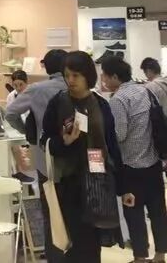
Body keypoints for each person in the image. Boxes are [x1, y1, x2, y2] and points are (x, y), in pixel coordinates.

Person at [42, 51, 129, 263]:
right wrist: (64, 142)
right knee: (72, 241)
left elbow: (111, 145)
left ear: (87, 75)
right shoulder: (58, 103)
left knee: (92, 243)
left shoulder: (100, 104)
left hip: (98, 183)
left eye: (76, 75)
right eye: (67, 75)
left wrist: (124, 187)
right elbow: (45, 141)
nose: (70, 80)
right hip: (68, 182)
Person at [102, 56, 167, 263]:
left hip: (131, 166)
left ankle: (140, 256)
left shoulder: (118, 99)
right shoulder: (145, 91)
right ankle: (160, 255)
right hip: (153, 161)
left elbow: (120, 134)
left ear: (114, 76)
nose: (103, 80)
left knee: (134, 213)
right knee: (158, 211)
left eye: (105, 76)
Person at [5, 49, 68, 263]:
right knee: (74, 209)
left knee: (50, 210)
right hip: (75, 156)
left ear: (45, 67)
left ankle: (54, 256)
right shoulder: (76, 86)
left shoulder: (36, 89)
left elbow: (11, 113)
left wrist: (27, 132)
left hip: (44, 156)